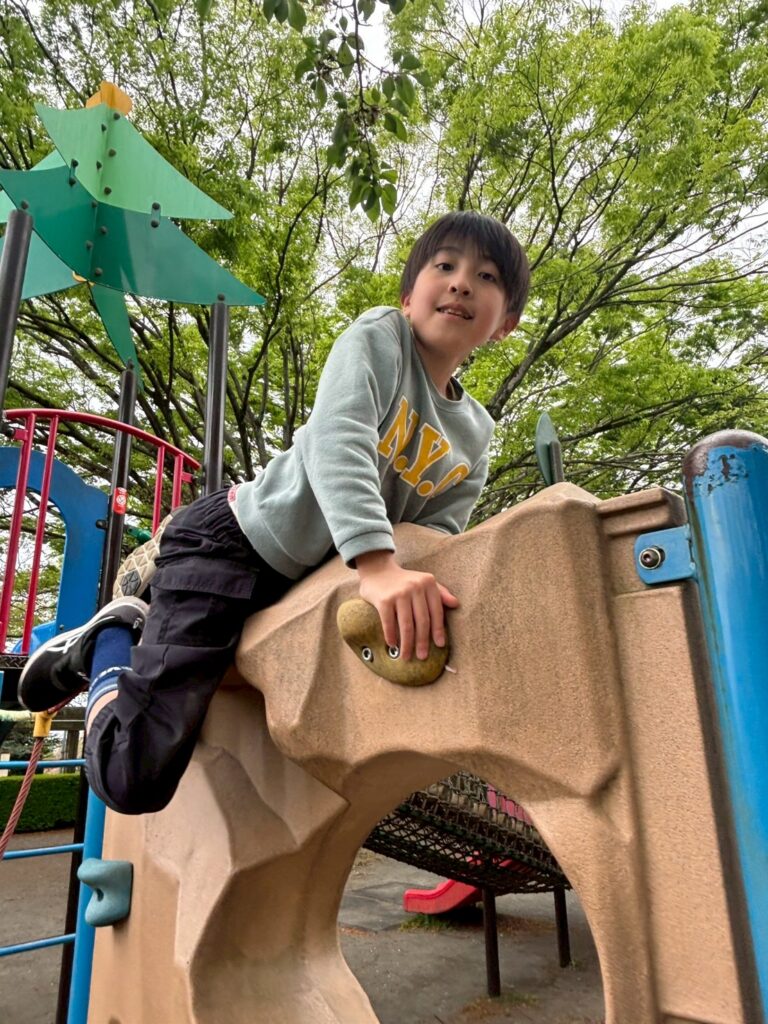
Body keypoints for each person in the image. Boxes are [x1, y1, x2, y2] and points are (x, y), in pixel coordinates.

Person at [18, 210, 530, 814]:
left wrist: (415, 583)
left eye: (486, 277)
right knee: (133, 774)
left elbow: (437, 532)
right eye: (444, 265)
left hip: (312, 581)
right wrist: (378, 564)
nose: (462, 282)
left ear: (506, 324)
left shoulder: (475, 433)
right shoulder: (381, 336)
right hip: (232, 547)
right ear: (407, 295)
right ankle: (105, 642)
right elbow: (339, 439)